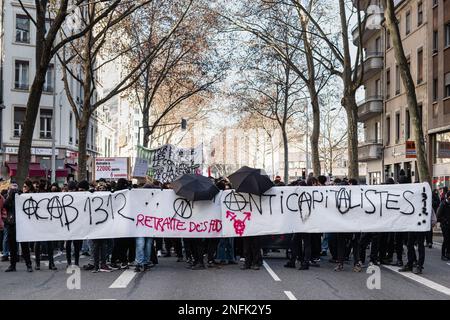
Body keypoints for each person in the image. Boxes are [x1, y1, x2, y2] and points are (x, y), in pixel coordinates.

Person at [5, 181, 33, 272]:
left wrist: (20, 195)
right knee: (12, 247)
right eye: (12, 189)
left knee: (25, 246)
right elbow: (5, 206)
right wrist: (10, 195)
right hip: (11, 224)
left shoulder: (22, 197)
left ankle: (28, 264)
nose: (14, 191)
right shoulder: (8, 198)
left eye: (15, 189)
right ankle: (12, 265)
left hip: (21, 225)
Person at [65, 181, 83, 268]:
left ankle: (75, 262)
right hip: (69, 223)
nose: (71, 191)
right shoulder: (65, 197)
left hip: (75, 223)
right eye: (70, 190)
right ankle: (70, 262)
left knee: (76, 244)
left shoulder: (78, 196)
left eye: (72, 190)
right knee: (69, 244)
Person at [437, 191, 450, 261]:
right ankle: (443, 255)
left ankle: (448, 253)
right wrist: (445, 220)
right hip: (445, 225)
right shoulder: (443, 204)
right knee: (446, 239)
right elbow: (438, 216)